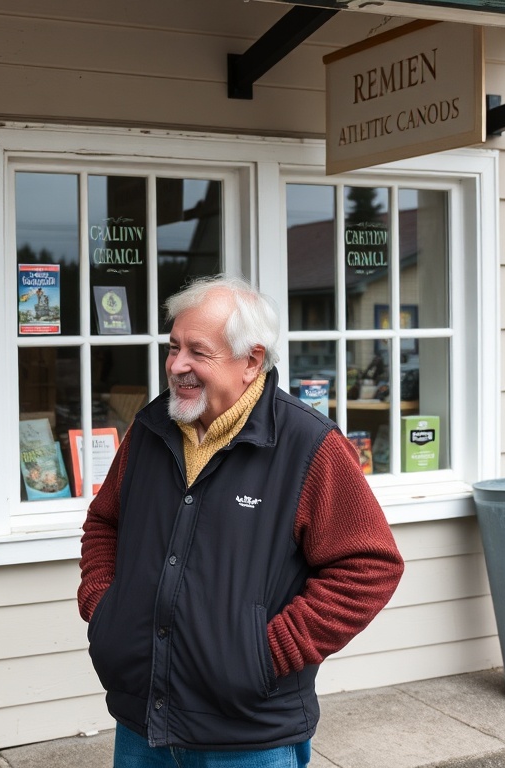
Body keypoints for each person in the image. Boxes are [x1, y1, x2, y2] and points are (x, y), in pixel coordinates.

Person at [78, 275, 404, 768]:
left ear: (251, 361)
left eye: (197, 352)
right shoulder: (149, 430)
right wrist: (106, 608)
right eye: (173, 348)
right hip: (142, 721)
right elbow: (104, 523)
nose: (177, 365)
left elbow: (370, 565)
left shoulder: (306, 444)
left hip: (250, 736)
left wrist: (266, 653)